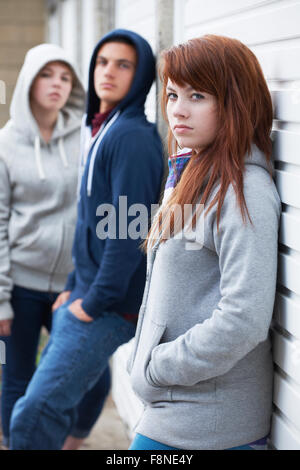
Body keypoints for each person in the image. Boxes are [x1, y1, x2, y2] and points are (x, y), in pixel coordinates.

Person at [9, 29, 164, 450]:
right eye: (102, 62)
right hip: (82, 292)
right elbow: (90, 225)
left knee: (33, 413)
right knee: (62, 397)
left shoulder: (131, 137)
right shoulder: (103, 127)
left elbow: (127, 231)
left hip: (106, 306)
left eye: (123, 64)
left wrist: (91, 302)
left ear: (142, 75)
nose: (108, 72)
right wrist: (72, 287)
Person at [128, 35, 281, 450]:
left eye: (197, 95)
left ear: (233, 102)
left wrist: (158, 366)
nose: (177, 109)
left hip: (207, 428)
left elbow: (243, 319)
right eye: (173, 93)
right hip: (175, 414)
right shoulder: (195, 173)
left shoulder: (244, 191)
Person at [0, 44, 85, 448]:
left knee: (89, 372)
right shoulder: (6, 143)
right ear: (30, 82)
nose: (57, 84)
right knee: (18, 376)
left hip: (71, 285)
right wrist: (1, 300)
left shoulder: (85, 137)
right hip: (21, 284)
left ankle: (70, 442)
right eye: (47, 75)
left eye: (65, 77)